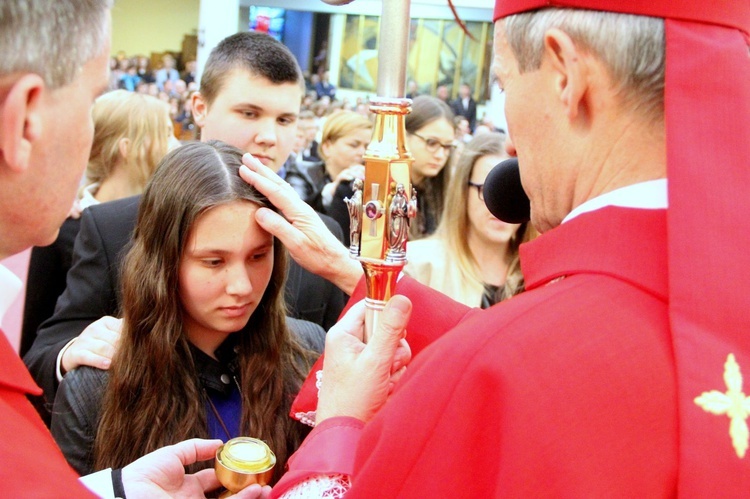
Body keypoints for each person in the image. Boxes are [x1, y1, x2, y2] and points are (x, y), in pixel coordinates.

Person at [234, 0, 750, 495]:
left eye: (503, 82)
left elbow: (514, 358)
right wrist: (355, 274)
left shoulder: (502, 371)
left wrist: (339, 427)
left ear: (565, 72)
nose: (509, 143)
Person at [0, 1, 268, 497]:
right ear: (24, 119)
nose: (241, 284)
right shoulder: (104, 228)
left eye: (259, 257)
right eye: (91, 103)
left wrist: (118, 491)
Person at [23, 31, 348, 425]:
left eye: (285, 119)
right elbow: (39, 355)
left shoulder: (320, 239)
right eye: (248, 113)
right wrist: (73, 354)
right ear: (199, 107)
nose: (268, 136)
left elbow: (339, 367)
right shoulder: (112, 226)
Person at [51, 141, 324, 483]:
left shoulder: (310, 349)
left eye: (258, 256)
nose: (241, 285)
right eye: (214, 262)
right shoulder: (96, 386)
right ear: (163, 261)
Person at [20, 90, 177, 357]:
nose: (176, 145)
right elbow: (36, 343)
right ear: (129, 148)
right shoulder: (64, 228)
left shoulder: (173, 222)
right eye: (165, 133)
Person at [405, 132, 530, 307]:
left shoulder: (540, 276)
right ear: (463, 192)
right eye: (489, 191)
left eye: (516, 192)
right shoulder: (418, 265)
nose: (503, 205)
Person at [308, 110, 372, 246]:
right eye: (354, 145)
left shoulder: (367, 182)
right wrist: (331, 191)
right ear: (327, 147)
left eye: (367, 146)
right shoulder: (304, 175)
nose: (362, 152)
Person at [405, 95, 456, 239]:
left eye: (447, 146)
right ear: (404, 136)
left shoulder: (446, 194)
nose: (440, 155)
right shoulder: (366, 190)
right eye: (432, 143)